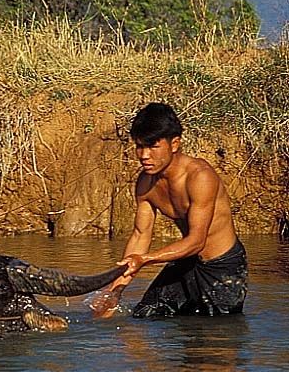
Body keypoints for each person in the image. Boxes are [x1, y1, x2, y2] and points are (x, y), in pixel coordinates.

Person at [92, 102, 248, 318]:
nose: (144, 155)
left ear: (174, 144)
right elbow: (140, 236)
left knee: (214, 334)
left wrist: (145, 259)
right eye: (139, 146)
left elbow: (196, 241)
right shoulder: (145, 183)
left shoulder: (199, 176)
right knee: (144, 316)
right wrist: (114, 292)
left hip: (222, 267)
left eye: (153, 147)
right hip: (186, 261)